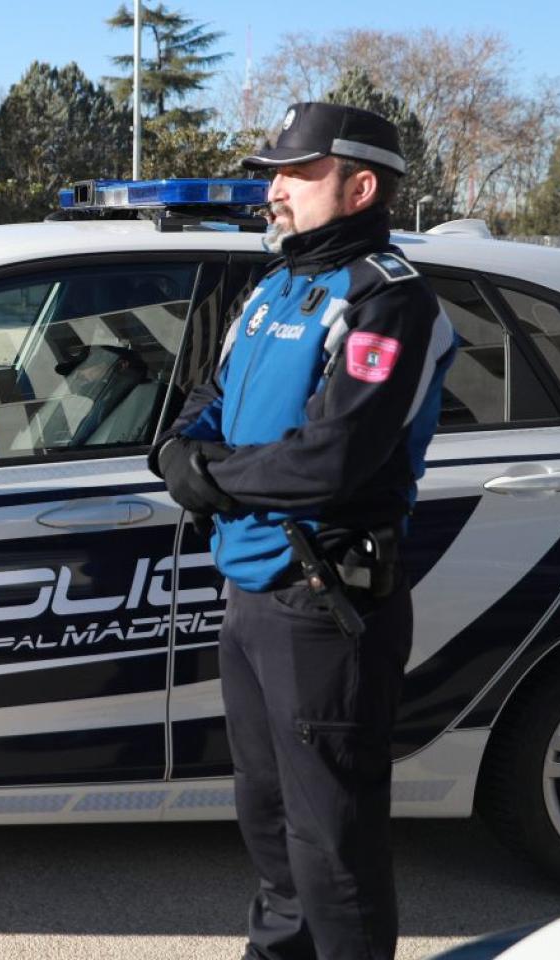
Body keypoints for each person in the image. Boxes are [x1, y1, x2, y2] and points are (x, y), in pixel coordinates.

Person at [151, 102, 457, 960]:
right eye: (272, 172)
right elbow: (214, 402)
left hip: (325, 603)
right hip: (253, 592)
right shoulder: (277, 286)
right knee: (270, 821)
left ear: (360, 187)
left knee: (334, 846)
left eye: (296, 172)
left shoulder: (388, 301)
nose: (273, 189)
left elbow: (335, 459)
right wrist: (179, 447)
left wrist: (204, 478)